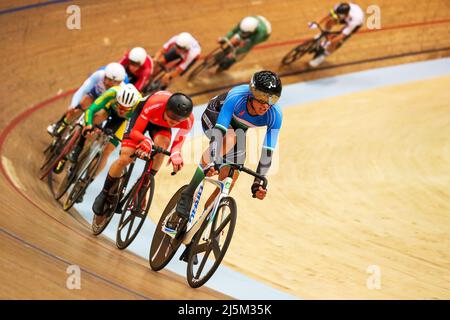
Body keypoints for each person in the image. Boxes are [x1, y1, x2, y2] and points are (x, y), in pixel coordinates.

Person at [168, 70, 283, 237]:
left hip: (237, 132)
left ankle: (202, 225)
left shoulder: (275, 114)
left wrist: (258, 182)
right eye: (262, 98)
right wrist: (214, 160)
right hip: (216, 117)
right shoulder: (237, 96)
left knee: (231, 177)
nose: (266, 105)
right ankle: (188, 193)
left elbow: (268, 152)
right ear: (251, 92)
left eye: (272, 99)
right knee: (229, 138)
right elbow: (219, 133)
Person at [91, 90, 194, 227]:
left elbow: (177, 143)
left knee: (162, 148)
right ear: (166, 108)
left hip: (160, 127)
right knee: (126, 158)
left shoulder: (188, 121)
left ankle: (144, 185)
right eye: (171, 116)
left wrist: (176, 154)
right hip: (141, 117)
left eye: (178, 119)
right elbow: (135, 132)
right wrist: (145, 140)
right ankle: (104, 193)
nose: (173, 121)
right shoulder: (154, 104)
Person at [54, 84, 141, 189]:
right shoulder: (112, 93)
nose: (122, 110)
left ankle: (86, 182)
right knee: (95, 119)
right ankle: (79, 146)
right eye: (120, 106)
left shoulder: (139, 105)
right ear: (116, 99)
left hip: (124, 121)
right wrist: (89, 125)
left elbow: (136, 129)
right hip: (109, 110)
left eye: (126, 108)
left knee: (107, 151)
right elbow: (91, 109)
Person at [47, 62, 127, 136]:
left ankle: (80, 142)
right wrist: (73, 105)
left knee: (95, 121)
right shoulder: (99, 75)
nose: (106, 82)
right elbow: (82, 90)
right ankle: (60, 124)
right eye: (106, 78)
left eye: (110, 81)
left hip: (105, 103)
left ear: (119, 82)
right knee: (79, 106)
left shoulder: (122, 89)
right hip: (95, 95)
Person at [308, 2, 364, 67]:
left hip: (354, 23)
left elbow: (343, 35)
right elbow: (329, 15)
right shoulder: (338, 7)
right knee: (329, 22)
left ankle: (322, 57)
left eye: (339, 15)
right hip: (346, 16)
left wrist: (330, 42)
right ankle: (324, 35)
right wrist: (317, 23)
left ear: (346, 14)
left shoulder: (356, 20)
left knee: (335, 41)